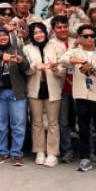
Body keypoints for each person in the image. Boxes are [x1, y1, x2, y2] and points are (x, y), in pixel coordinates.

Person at [60, 25, 96, 173]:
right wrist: (81, 62)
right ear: (79, 38)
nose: (90, 38)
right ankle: (85, 158)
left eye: (92, 36)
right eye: (86, 36)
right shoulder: (74, 52)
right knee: (83, 128)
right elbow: (63, 60)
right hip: (81, 95)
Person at [0, 26, 31, 166]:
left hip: (17, 91)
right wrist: (2, 56)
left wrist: (20, 61)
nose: (2, 37)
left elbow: (27, 66)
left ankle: (16, 154)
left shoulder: (16, 49)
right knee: (0, 125)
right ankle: (2, 152)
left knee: (18, 125)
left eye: (5, 35)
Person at [23, 22, 65, 167]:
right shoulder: (27, 48)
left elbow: (63, 70)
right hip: (34, 88)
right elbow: (25, 71)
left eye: (41, 32)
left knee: (53, 123)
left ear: (46, 33)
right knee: (37, 122)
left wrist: (55, 69)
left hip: (52, 88)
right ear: (31, 35)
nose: (39, 35)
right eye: (35, 33)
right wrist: (34, 66)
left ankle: (52, 153)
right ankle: (39, 150)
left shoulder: (56, 46)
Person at [48, 16, 76, 163]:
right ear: (54, 29)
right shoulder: (51, 44)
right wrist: (56, 69)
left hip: (79, 85)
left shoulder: (76, 41)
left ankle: (89, 151)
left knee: (83, 120)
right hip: (61, 86)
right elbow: (57, 66)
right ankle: (67, 150)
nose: (63, 29)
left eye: (65, 26)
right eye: (59, 27)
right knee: (63, 121)